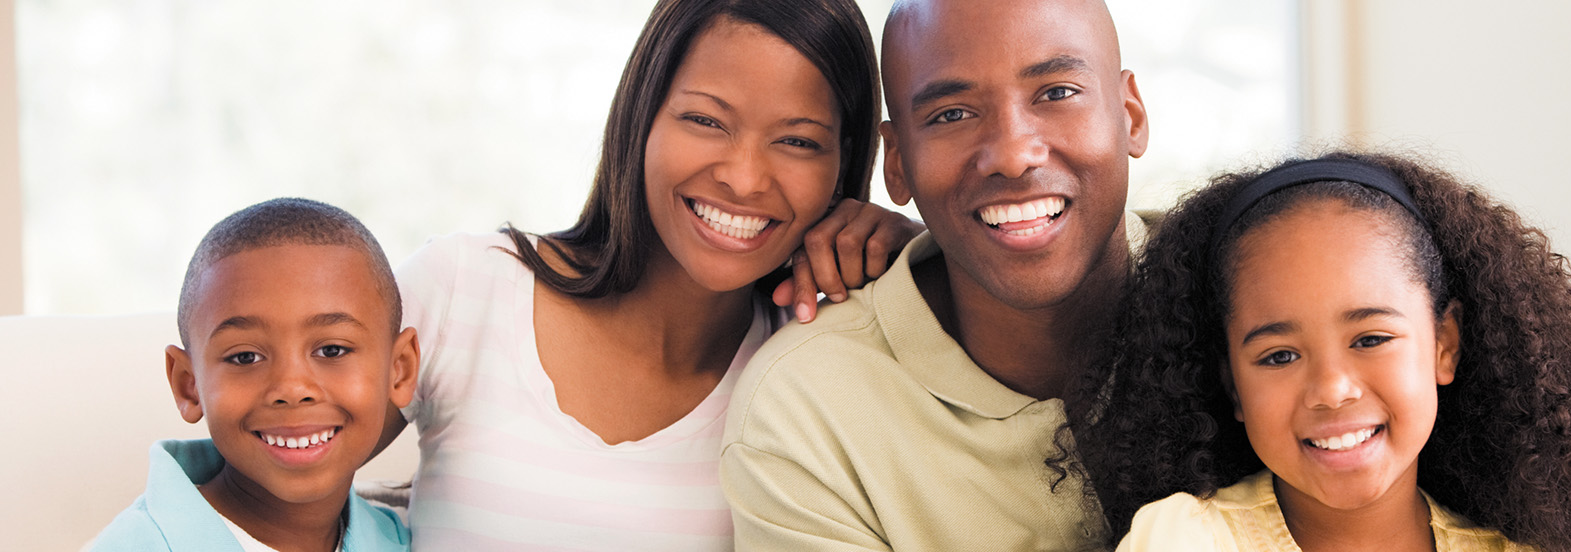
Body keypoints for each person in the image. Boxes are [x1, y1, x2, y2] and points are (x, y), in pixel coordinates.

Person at [377, 0, 919, 549]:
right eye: (706, 120)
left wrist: (921, 258)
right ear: (643, 115)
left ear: (843, 162)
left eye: (797, 141)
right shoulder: (463, 289)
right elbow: (291, 480)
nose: (745, 179)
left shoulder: (826, 362)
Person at [719, 0, 1150, 548]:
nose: (1014, 155)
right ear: (895, 163)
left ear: (1131, 114)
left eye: (1057, 93)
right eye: (951, 114)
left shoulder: (1246, 304)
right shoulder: (808, 413)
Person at [1068, 152, 1571, 552]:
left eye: (1370, 339)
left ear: (1444, 344)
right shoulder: (1184, 540)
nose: (1331, 388)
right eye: (1277, 356)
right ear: (1232, 385)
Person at [90, 198, 417, 551]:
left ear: (399, 370)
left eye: (332, 351)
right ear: (189, 385)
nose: (292, 388)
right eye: (246, 357)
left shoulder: (408, 541)